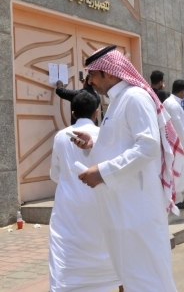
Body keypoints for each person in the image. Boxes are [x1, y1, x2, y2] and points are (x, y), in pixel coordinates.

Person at [72, 45, 184, 291]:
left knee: (147, 277)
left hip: (136, 207)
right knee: (131, 275)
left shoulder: (134, 98)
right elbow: (122, 143)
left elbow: (147, 147)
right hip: (123, 206)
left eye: (92, 74)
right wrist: (94, 143)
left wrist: (102, 172)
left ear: (108, 72)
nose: (90, 81)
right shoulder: (118, 101)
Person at [49, 92, 121, 292]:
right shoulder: (105, 135)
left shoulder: (61, 136)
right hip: (101, 202)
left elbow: (55, 173)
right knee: (107, 248)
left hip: (69, 206)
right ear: (96, 112)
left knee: (65, 251)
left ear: (73, 113)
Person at [164, 79, 184, 209]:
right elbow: (178, 126)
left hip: (172, 143)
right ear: (182, 91)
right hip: (176, 144)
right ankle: (176, 201)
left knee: (176, 172)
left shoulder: (169, 102)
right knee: (177, 172)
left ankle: (179, 199)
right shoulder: (173, 104)